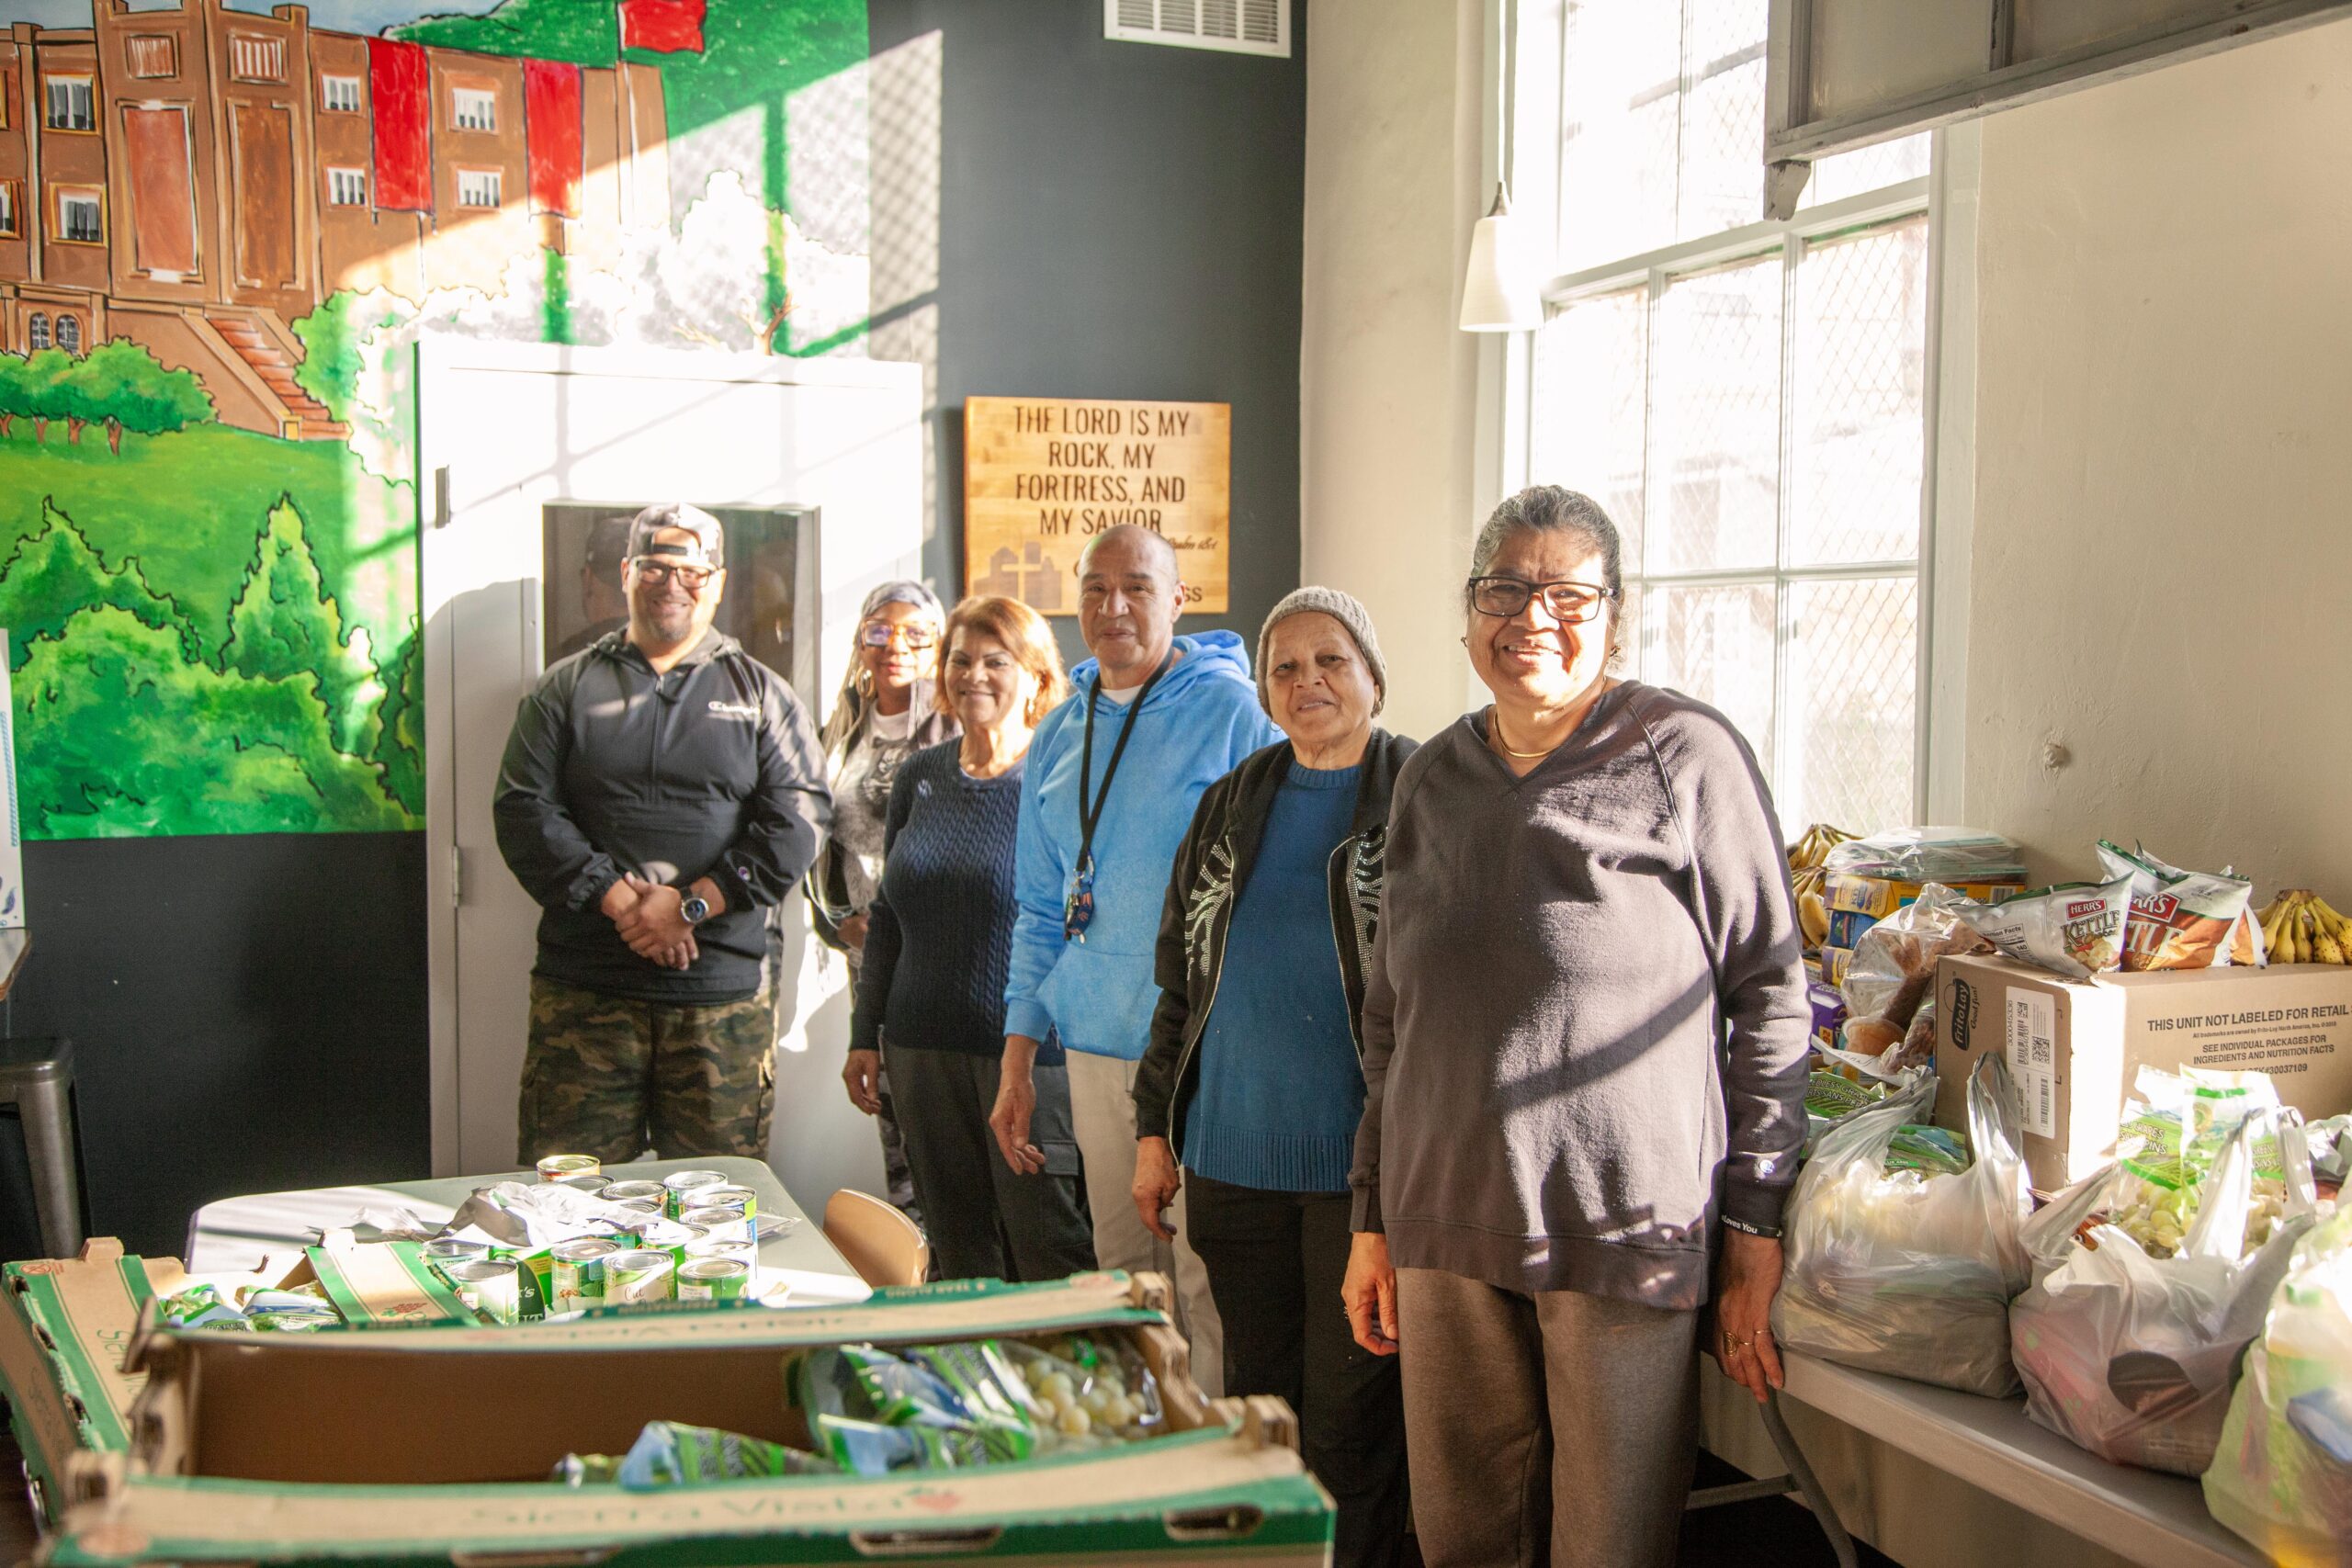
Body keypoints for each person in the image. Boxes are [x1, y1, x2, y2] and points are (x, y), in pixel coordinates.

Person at [1339, 486, 1809, 1568]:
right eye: (1506, 588)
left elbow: (1770, 997)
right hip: (1445, 1218)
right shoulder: (1429, 778)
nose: (1533, 616)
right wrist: (1374, 1215)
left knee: (1610, 1544)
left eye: (1567, 592)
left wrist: (1754, 1226)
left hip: (1620, 1224)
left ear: (1614, 615)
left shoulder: (1684, 754)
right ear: (1467, 615)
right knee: (1462, 1542)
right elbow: (1390, 1016)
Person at [1132, 588, 1414, 1568]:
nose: (1308, 683)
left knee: (1350, 1427)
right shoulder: (1231, 801)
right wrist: (1152, 1131)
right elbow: (1179, 982)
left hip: (1362, 1182)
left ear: (1373, 675)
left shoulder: (1420, 797)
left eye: (1330, 660)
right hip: (1231, 1163)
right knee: (1264, 1412)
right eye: (1285, 668)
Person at [993, 525, 1279, 1395]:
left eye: (1138, 587)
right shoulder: (1055, 731)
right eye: (1095, 587)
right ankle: (1146, 1458)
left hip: (1200, 1053)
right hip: (1092, 1045)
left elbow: (1266, 888)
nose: (1113, 607)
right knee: (1124, 1273)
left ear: (1178, 600)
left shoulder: (1233, 712)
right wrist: (1016, 1063)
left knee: (1203, 1272)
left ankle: (1225, 1474)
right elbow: (1042, 909)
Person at [495, 502, 831, 1163]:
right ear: (625, 572)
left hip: (720, 1002)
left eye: (691, 569)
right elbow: (522, 809)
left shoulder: (765, 696)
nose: (671, 582)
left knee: (719, 1206)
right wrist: (621, 901)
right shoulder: (564, 689)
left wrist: (692, 904)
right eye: (653, 565)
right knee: (569, 1209)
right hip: (586, 994)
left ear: (720, 580)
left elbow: (798, 820)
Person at [842, 597, 1095, 1281]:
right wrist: (866, 1033)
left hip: (1028, 1059)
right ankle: (970, 1384)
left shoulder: (1061, 781)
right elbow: (889, 917)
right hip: (920, 1052)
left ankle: (1063, 1386)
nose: (973, 674)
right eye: (959, 659)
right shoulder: (920, 777)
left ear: (1036, 677)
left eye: (995, 660)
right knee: (957, 1254)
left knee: (1048, 1248)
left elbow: (1078, 924)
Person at [808, 581, 957, 1221]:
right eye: (878, 630)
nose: (894, 645)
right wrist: (838, 922)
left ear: (939, 646)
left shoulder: (957, 727)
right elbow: (816, 842)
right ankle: (915, 1278)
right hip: (865, 958)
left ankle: (964, 1285)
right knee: (891, 1120)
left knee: (942, 1123)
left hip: (939, 958)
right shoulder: (839, 729)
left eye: (915, 634)